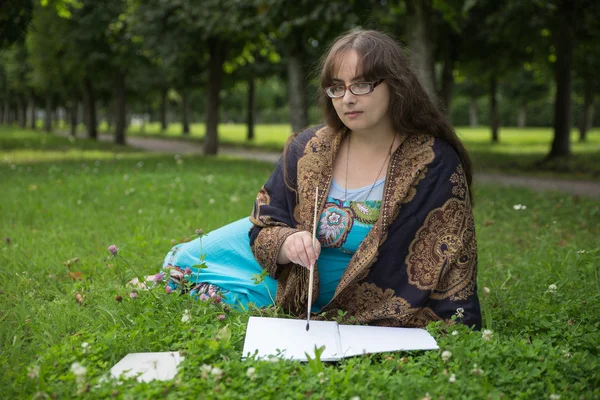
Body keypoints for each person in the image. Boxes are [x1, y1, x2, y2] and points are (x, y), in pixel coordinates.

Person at [159, 28, 481, 330]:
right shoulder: (308, 147)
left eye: (362, 84)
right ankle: (165, 279)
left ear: (396, 85)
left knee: (225, 292)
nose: (347, 98)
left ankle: (178, 284)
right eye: (337, 87)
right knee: (186, 257)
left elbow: (448, 254)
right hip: (290, 269)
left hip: (328, 289)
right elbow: (267, 222)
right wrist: (286, 243)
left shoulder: (433, 162)